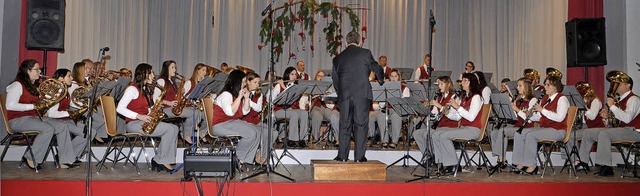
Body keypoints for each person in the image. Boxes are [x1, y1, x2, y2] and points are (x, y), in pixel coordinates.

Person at [5, 59, 78, 169]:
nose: (40, 72)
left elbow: (41, 105)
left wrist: (52, 98)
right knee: (48, 129)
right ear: (28, 71)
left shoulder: (35, 86)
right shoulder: (16, 85)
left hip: (34, 118)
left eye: (40, 69)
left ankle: (65, 160)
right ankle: (31, 157)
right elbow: (10, 105)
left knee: (62, 126)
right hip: (18, 120)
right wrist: (33, 106)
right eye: (37, 70)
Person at [332, 31, 384, 162]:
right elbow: (376, 68)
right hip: (362, 95)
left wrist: (341, 93)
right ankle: (359, 157)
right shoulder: (365, 53)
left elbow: (335, 80)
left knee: (344, 125)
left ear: (346, 43)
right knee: (360, 125)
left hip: (344, 96)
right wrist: (381, 79)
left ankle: (342, 156)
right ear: (360, 43)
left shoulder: (338, 58)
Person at [116, 63, 179, 173]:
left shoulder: (144, 89)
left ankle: (160, 158)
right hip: (133, 124)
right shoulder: (132, 89)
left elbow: (144, 109)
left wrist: (154, 109)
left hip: (142, 120)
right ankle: (161, 160)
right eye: (151, 73)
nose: (153, 76)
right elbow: (119, 108)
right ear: (143, 74)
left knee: (174, 128)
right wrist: (139, 116)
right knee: (170, 129)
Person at [578, 72, 639, 177]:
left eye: (619, 83)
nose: (616, 85)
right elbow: (616, 122)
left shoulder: (634, 99)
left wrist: (612, 107)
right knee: (588, 132)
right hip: (622, 130)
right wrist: (607, 118)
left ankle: (606, 167)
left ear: (628, 85)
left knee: (604, 134)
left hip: (633, 131)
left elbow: (627, 118)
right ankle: (583, 163)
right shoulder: (619, 100)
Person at [512, 76, 569, 175]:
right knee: (520, 133)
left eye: (548, 85)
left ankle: (532, 165)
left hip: (558, 130)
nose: (545, 87)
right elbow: (539, 117)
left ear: (555, 87)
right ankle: (520, 162)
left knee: (531, 135)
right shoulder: (546, 98)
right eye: (545, 84)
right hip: (545, 128)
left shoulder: (562, 99)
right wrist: (530, 116)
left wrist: (542, 110)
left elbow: (560, 118)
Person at [430, 73, 484, 175]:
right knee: (437, 134)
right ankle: (441, 163)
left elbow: (471, 117)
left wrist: (458, 107)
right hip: (464, 128)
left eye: (464, 81)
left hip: (473, 130)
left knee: (444, 135)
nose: (462, 83)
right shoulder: (465, 98)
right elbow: (457, 117)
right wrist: (447, 112)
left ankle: (453, 165)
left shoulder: (476, 97)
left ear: (471, 83)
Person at [211, 70, 261, 165]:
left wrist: (246, 98)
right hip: (220, 125)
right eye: (243, 81)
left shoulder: (235, 94)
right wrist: (239, 97)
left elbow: (245, 111)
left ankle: (243, 160)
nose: (245, 84)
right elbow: (230, 112)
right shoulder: (226, 94)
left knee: (257, 132)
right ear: (236, 81)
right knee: (251, 133)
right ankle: (237, 158)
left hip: (231, 122)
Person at [490, 77, 537, 165]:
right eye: (517, 86)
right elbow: (515, 117)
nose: (517, 88)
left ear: (526, 87)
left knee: (503, 131)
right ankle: (501, 157)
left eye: (520, 86)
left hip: (526, 127)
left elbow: (529, 120)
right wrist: (509, 109)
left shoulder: (532, 100)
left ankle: (501, 159)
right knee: (494, 133)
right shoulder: (518, 100)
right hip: (517, 126)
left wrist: (517, 110)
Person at [49, 68, 90, 163]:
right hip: (56, 121)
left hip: (65, 119)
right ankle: (66, 158)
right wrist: (70, 113)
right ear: (60, 79)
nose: (71, 78)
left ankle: (69, 156)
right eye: (69, 76)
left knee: (90, 131)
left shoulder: (66, 92)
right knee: (85, 131)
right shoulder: (56, 92)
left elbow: (69, 105)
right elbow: (51, 113)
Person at [412, 76, 459, 156]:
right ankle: (429, 156)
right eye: (438, 84)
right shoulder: (439, 97)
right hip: (439, 126)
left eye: (442, 84)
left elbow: (453, 115)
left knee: (427, 134)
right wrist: (426, 108)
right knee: (416, 133)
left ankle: (435, 156)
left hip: (450, 126)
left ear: (448, 84)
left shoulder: (454, 97)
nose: (439, 86)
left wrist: (438, 105)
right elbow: (434, 116)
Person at [241, 72, 276, 164]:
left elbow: (258, 108)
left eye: (258, 83)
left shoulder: (258, 94)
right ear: (248, 82)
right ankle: (257, 158)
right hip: (244, 122)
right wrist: (246, 97)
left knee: (274, 132)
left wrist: (248, 99)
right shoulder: (241, 91)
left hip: (255, 121)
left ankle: (261, 156)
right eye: (255, 82)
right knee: (265, 132)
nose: (257, 85)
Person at [270, 67, 309, 148]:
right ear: (287, 75)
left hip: (290, 109)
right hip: (279, 110)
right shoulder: (279, 86)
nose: (294, 76)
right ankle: (292, 140)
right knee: (294, 114)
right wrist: (282, 86)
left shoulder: (295, 86)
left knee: (304, 113)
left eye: (295, 74)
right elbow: (271, 100)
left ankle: (302, 139)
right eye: (292, 74)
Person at [375, 69, 409, 148]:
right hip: (387, 109)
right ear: (389, 77)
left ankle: (394, 141)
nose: (393, 78)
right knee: (380, 116)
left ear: (399, 77)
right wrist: (382, 102)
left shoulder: (404, 88)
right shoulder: (385, 87)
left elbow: (405, 104)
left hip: (399, 110)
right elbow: (381, 104)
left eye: (395, 76)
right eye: (392, 76)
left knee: (396, 116)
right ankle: (384, 141)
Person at [309, 70, 340, 144]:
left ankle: (337, 138)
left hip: (326, 108)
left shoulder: (330, 86)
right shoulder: (311, 85)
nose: (321, 78)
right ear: (316, 77)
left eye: (323, 77)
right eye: (319, 76)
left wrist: (330, 95)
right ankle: (315, 137)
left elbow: (332, 104)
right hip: (315, 107)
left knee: (334, 116)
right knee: (317, 115)